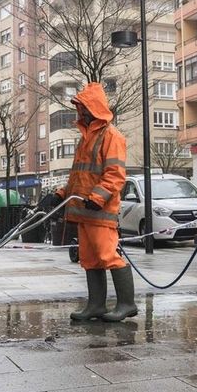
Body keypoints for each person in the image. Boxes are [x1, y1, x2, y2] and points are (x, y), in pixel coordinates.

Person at [55, 82, 135, 322]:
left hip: (100, 211)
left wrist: (98, 198)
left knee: (108, 255)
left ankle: (126, 304)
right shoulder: (85, 138)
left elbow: (115, 174)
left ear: (95, 108)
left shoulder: (112, 136)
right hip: (83, 211)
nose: (82, 112)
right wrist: (60, 194)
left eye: (85, 108)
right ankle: (96, 305)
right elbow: (79, 175)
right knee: (90, 258)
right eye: (81, 108)